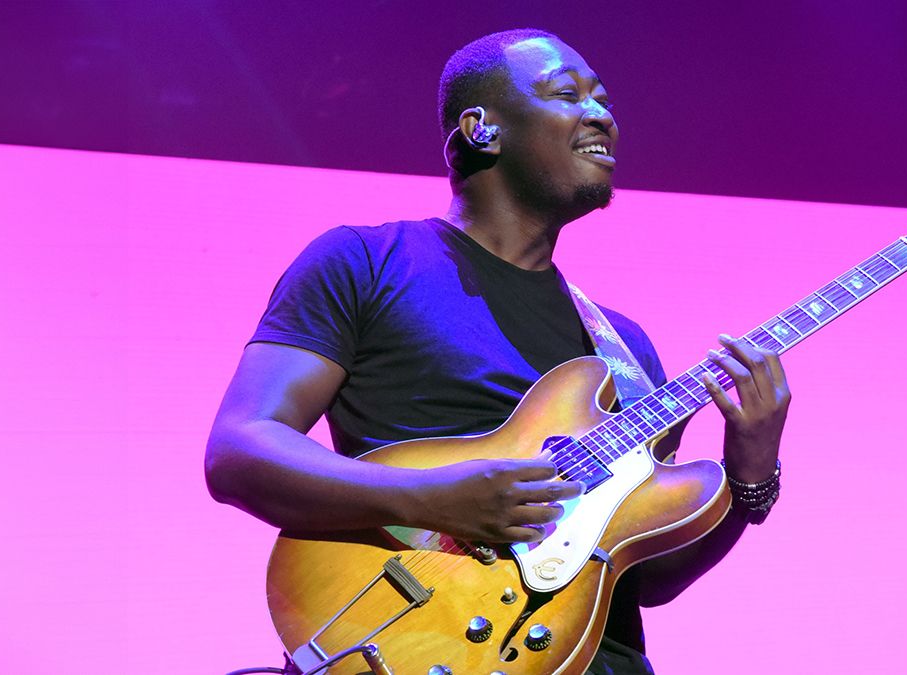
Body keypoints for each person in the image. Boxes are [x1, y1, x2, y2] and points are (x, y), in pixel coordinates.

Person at [205, 28, 791, 675]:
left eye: (604, 100)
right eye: (567, 94)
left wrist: (749, 474)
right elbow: (239, 449)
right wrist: (428, 498)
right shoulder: (367, 262)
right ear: (480, 129)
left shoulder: (623, 349)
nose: (601, 115)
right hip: (419, 641)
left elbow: (648, 578)